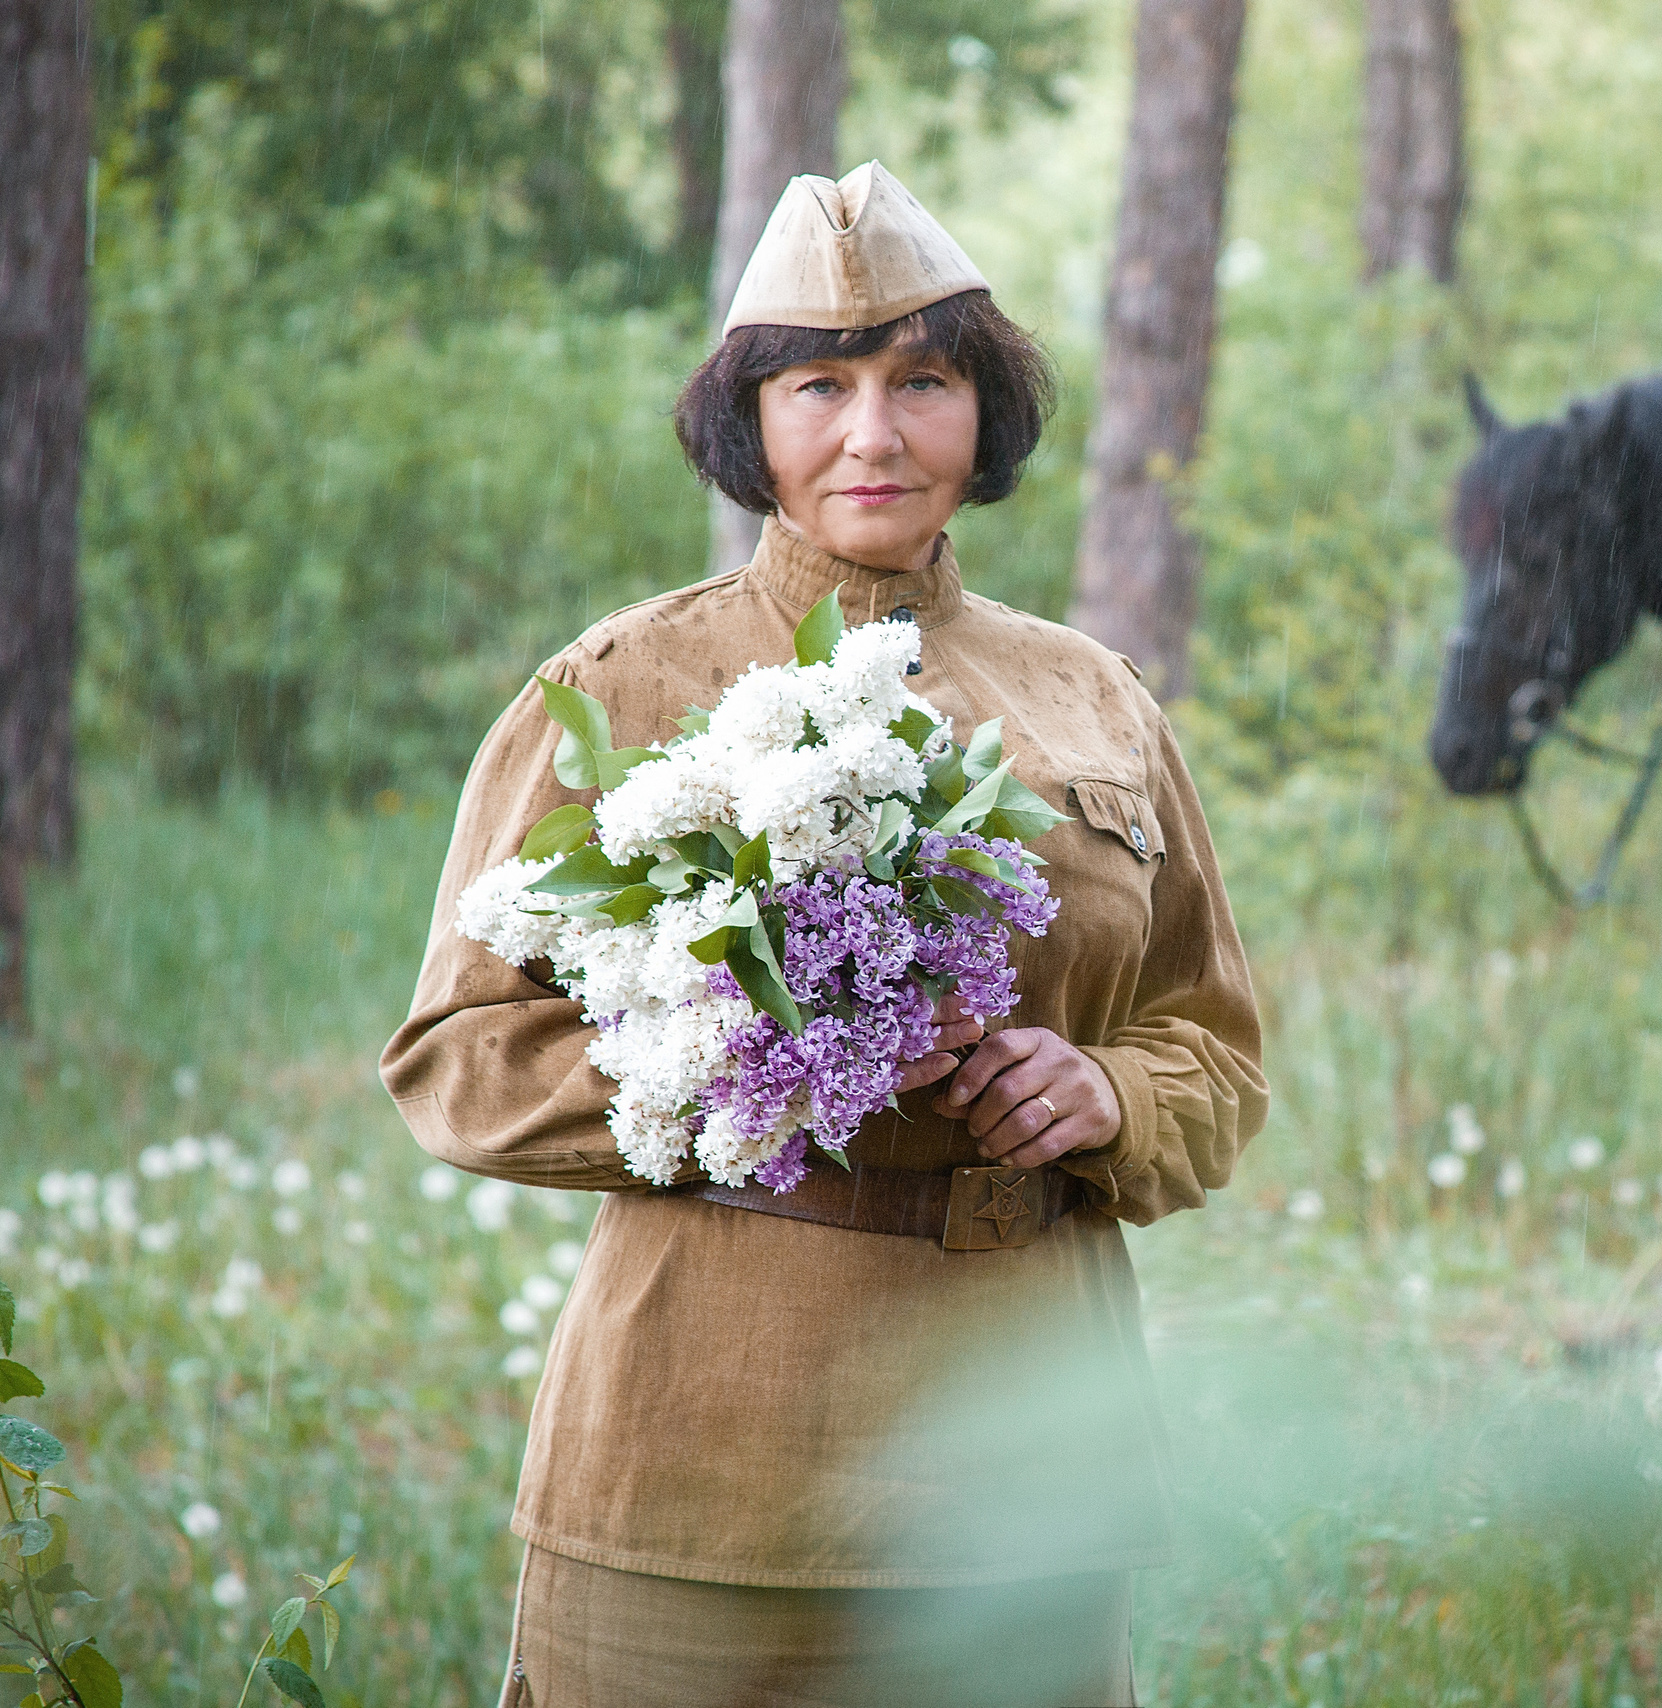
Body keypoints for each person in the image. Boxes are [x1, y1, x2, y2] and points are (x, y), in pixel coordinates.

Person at [381, 162, 1267, 1707]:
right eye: (819, 385)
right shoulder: (618, 693)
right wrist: (749, 1068)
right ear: (752, 423)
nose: (875, 432)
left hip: (1025, 1473)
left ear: (984, 411)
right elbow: (459, 1060)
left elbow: (1215, 1044)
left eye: (923, 380)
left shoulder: (1093, 697)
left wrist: (1112, 1097)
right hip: (698, 1468)